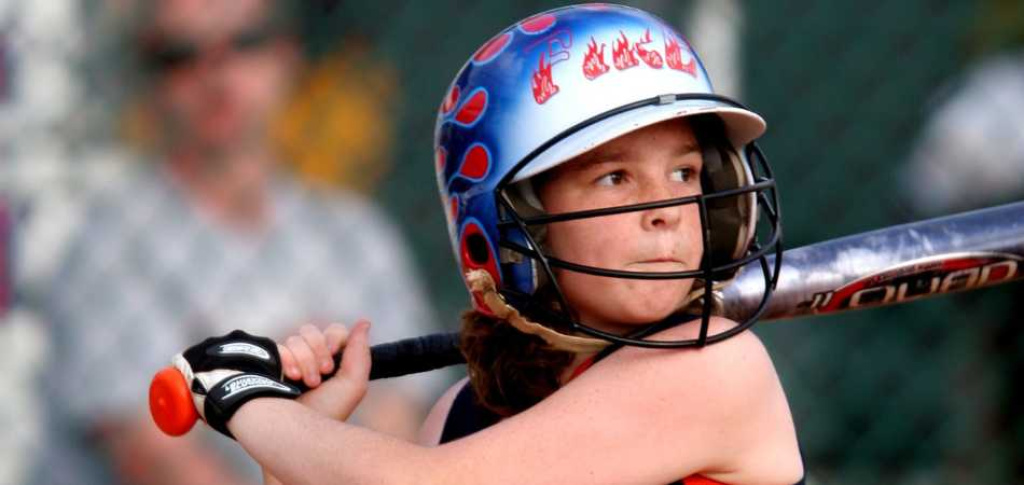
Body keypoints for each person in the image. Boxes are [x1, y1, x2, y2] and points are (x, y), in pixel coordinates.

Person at [170, 5, 803, 484]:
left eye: (686, 174)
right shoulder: (460, 414)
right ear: (516, 222)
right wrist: (308, 437)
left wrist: (243, 401)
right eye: (614, 178)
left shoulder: (715, 368)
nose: (667, 210)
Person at [33, 1, 439, 484]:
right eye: (180, 55)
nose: (216, 73)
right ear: (147, 80)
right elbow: (161, 464)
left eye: (245, 42)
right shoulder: (110, 244)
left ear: (289, 54)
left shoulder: (354, 234)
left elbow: (399, 436)